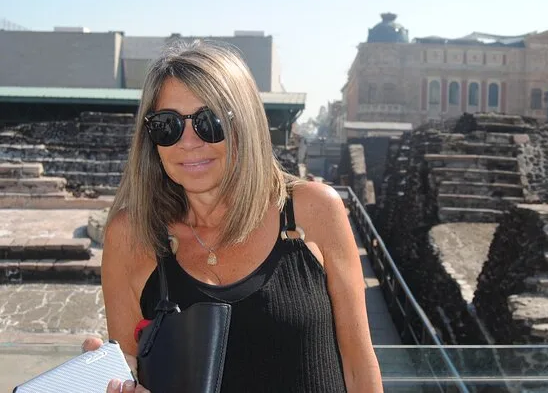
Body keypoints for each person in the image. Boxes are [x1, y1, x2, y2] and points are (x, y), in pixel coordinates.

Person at [83, 41, 383, 392]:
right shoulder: (132, 235)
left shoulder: (314, 211)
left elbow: (359, 368)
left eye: (209, 121)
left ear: (245, 124)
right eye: (168, 125)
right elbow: (131, 371)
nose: (188, 142)